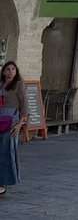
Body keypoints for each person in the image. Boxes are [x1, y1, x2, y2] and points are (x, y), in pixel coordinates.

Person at [0, 61, 28, 196]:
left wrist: (19, 124)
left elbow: (24, 106)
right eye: (8, 69)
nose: (10, 71)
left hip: (11, 122)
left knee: (6, 152)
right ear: (3, 72)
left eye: (13, 69)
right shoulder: (0, 84)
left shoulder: (19, 85)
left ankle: (3, 183)